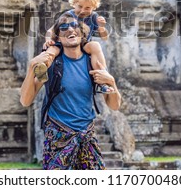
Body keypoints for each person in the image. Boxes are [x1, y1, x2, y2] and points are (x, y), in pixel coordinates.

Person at [20, 12, 121, 170]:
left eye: (74, 25)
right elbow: (26, 100)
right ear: (58, 38)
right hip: (58, 137)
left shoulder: (92, 64)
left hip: (86, 136)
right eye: (63, 27)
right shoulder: (51, 64)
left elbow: (114, 105)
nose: (70, 29)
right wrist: (31, 67)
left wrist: (112, 82)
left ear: (82, 33)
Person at [34, 0, 114, 94]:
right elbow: (51, 31)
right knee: (52, 49)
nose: (82, 11)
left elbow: (105, 37)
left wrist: (101, 27)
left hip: (82, 45)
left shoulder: (94, 17)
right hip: (64, 43)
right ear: (74, 3)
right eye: (80, 6)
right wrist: (48, 40)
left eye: (87, 8)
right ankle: (42, 70)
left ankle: (102, 79)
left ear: (94, 7)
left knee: (95, 45)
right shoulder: (68, 15)